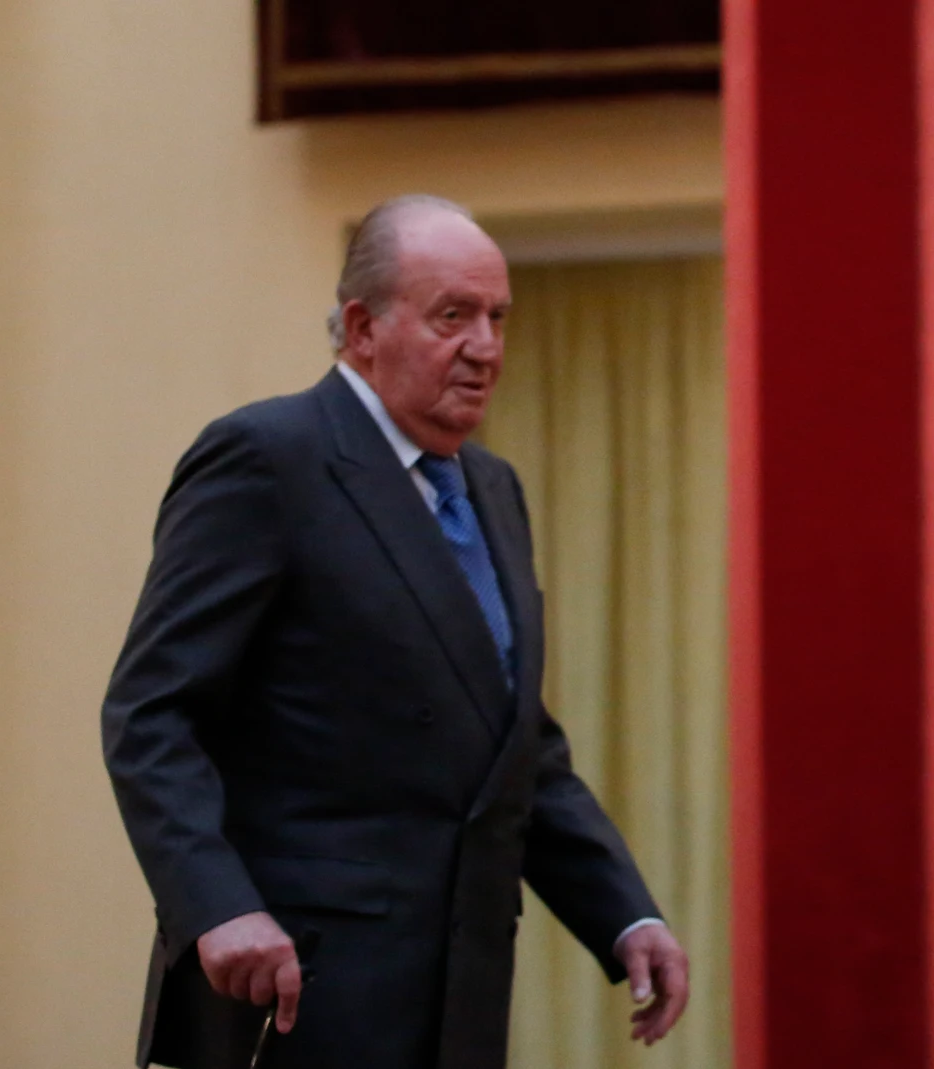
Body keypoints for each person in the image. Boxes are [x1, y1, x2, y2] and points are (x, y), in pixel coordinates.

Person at [103, 195, 689, 1069]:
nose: (486, 346)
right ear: (361, 326)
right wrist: (216, 905)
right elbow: (152, 713)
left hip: (456, 996)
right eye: (453, 316)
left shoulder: (493, 489)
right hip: (296, 990)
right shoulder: (267, 458)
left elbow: (510, 743)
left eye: (496, 317)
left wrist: (624, 912)